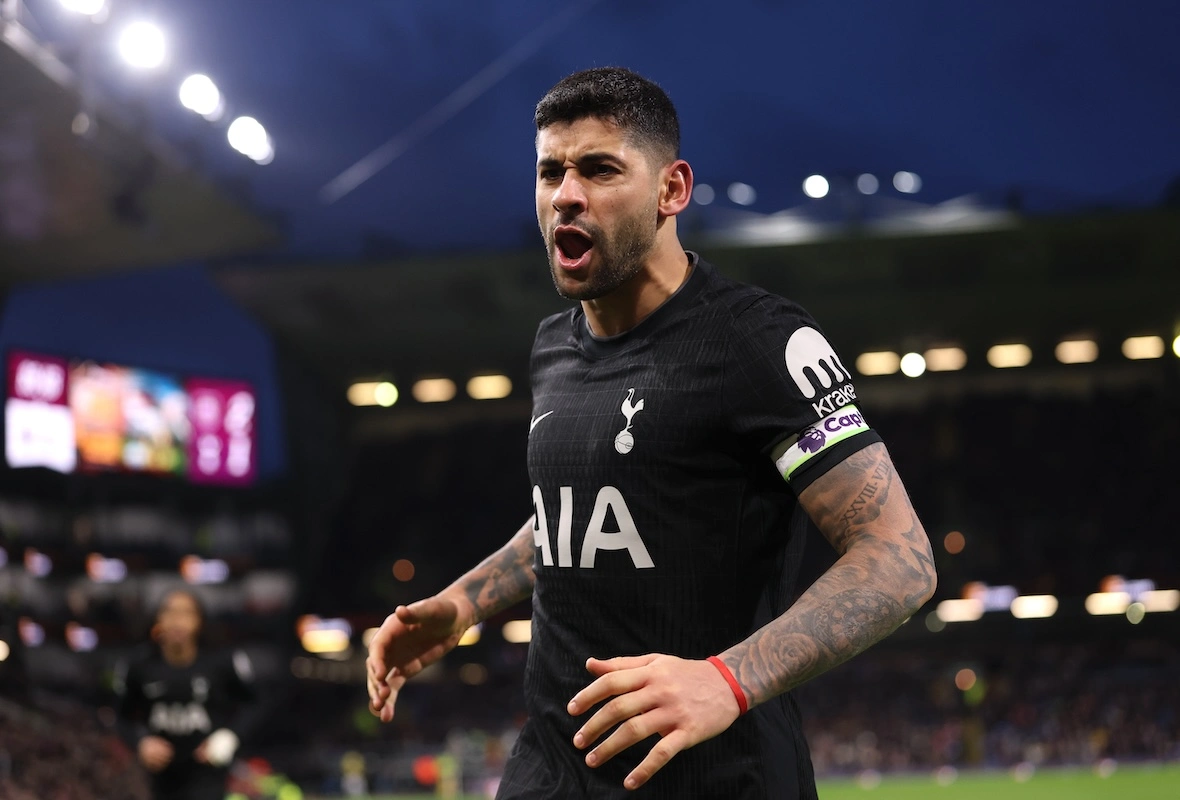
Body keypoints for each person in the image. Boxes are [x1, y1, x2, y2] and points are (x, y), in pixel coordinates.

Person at [366, 66, 937, 799]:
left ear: (672, 190)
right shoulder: (552, 346)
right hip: (553, 767)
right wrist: (463, 604)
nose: (566, 195)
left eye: (600, 169)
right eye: (550, 172)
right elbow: (578, 516)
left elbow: (901, 558)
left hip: (715, 774)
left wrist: (725, 681)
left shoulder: (756, 341)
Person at [114, 588, 264, 800]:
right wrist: (141, 742)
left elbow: (254, 704)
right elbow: (121, 716)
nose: (178, 621)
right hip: (157, 777)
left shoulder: (222, 661)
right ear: (158, 619)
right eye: (170, 612)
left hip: (207, 773)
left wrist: (229, 736)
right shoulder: (138, 665)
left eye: (186, 613)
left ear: (199, 621)